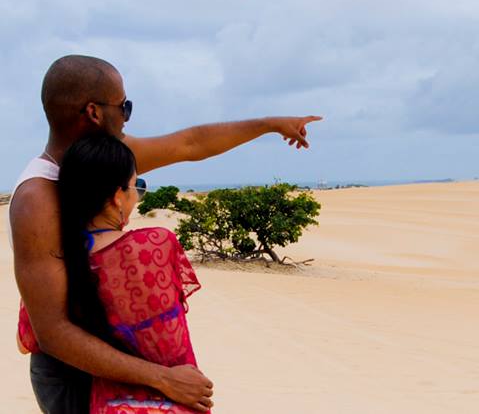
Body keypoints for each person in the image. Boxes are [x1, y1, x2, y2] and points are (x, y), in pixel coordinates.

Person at [9, 54, 321, 413]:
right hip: (77, 375)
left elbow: (189, 144)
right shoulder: (37, 198)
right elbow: (52, 332)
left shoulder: (108, 160)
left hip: (130, 360)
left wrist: (269, 124)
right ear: (93, 112)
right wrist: (162, 378)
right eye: (123, 106)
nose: (126, 117)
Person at [59, 134, 206, 413]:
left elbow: (26, 341)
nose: (137, 196)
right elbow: (171, 344)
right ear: (117, 197)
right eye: (136, 186)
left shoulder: (58, 261)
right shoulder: (156, 244)